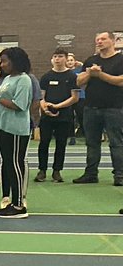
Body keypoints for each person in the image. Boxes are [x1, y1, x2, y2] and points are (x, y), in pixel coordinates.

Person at [0, 47, 34, 218]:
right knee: (7, 164)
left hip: (15, 128)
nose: (2, 64)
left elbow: (19, 105)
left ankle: (20, 205)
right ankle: (13, 202)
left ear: (16, 61)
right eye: (0, 61)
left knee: (15, 164)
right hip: (1, 126)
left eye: (5, 60)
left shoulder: (24, 80)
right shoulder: (7, 78)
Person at [74, 31, 123, 186]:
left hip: (114, 108)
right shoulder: (91, 60)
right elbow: (78, 81)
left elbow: (120, 81)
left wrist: (100, 74)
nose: (99, 42)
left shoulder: (121, 59)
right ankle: (91, 174)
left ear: (113, 41)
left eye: (103, 39)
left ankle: (120, 175)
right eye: (97, 40)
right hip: (91, 108)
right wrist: (90, 73)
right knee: (92, 142)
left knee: (116, 143)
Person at [35, 48, 79, 183]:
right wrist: (45, 107)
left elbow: (75, 97)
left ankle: (57, 171)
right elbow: (40, 97)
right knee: (44, 143)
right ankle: (42, 171)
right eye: (55, 56)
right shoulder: (46, 76)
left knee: (61, 144)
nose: (57, 59)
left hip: (64, 115)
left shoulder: (72, 76)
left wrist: (58, 106)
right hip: (47, 115)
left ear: (66, 58)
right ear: (52, 59)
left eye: (60, 56)